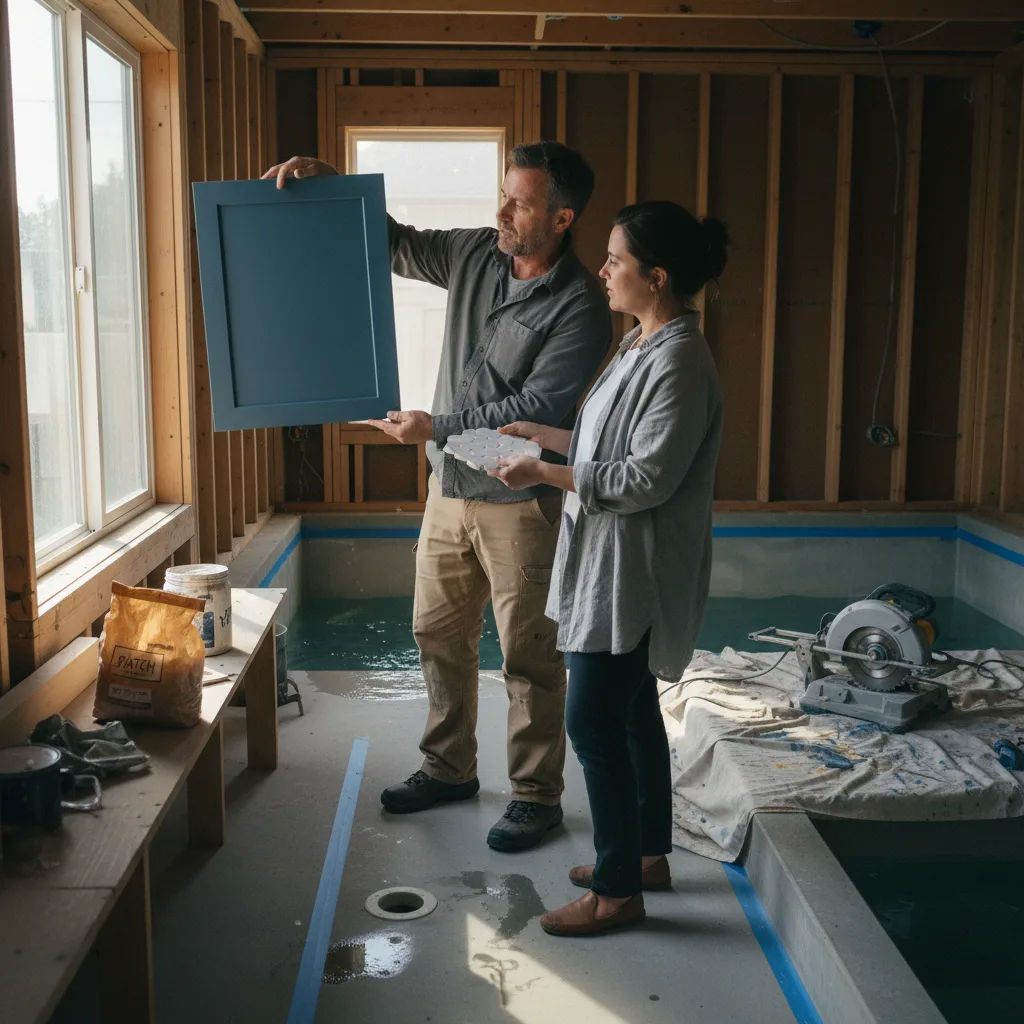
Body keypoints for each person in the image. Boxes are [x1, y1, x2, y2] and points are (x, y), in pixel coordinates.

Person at [263, 144, 612, 852]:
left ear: (561, 218)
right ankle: (449, 769)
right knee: (437, 636)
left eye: (519, 203)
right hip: (449, 489)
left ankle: (536, 797)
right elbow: (390, 242)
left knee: (529, 657)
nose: (501, 211)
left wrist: (435, 427)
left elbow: (534, 411)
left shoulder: (581, 305)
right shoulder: (474, 252)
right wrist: (336, 187)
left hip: (521, 502)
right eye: (503, 194)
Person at [490, 200, 728, 934]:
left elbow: (644, 478)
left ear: (656, 278)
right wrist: (547, 438)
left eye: (616, 260)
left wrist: (542, 473)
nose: (602, 270)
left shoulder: (679, 360)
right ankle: (647, 856)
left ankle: (618, 892)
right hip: (610, 561)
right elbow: (611, 445)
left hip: (633, 573)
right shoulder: (639, 344)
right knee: (630, 716)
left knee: (591, 721)